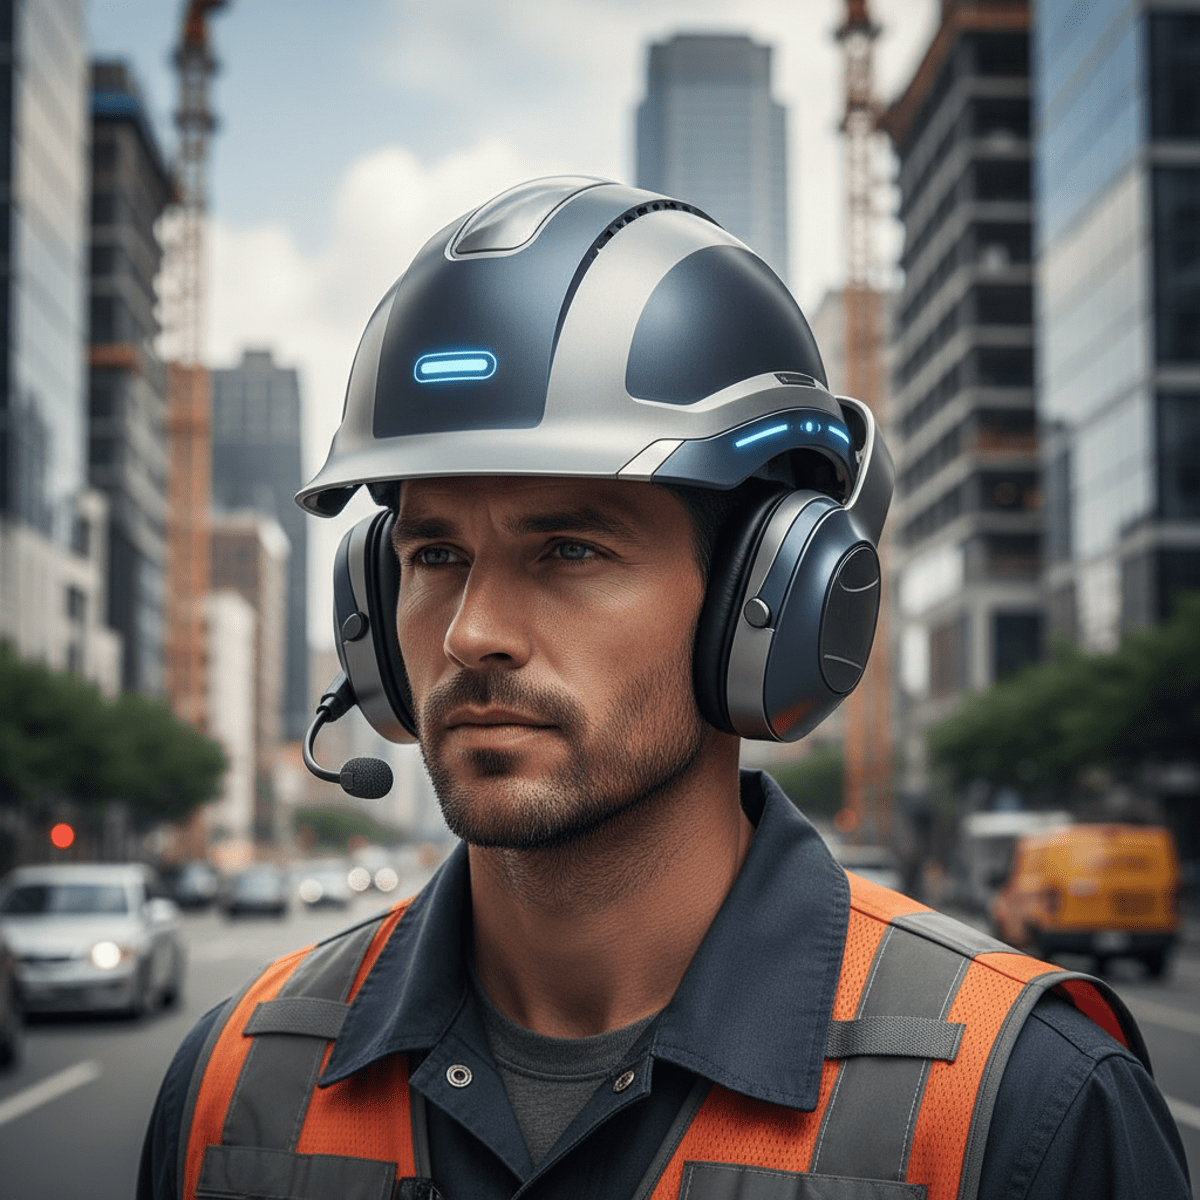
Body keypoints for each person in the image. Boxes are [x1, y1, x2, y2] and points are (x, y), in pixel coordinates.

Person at [139, 177, 1190, 1200]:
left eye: (570, 550)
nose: (473, 634)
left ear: (769, 598)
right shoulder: (231, 1090)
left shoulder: (1023, 1109)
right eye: (435, 557)